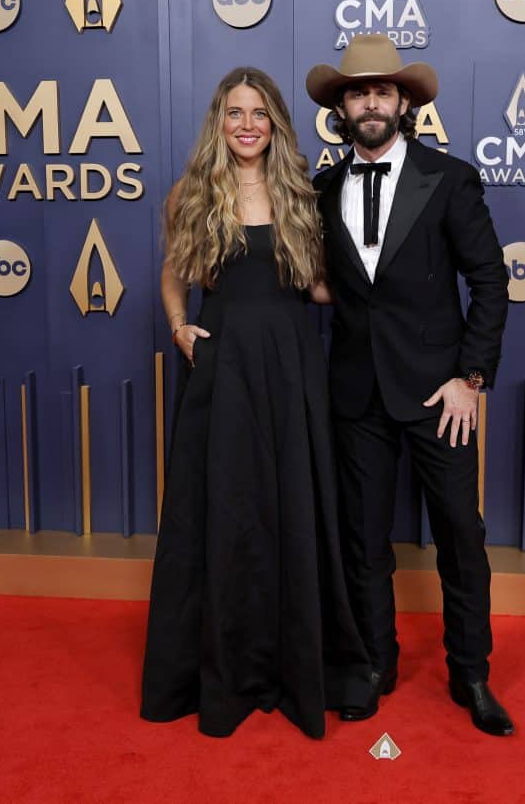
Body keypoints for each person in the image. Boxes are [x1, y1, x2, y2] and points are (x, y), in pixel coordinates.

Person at [140, 67, 371, 739]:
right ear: (220, 120)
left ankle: (294, 666)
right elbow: (173, 270)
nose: (248, 124)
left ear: (275, 125)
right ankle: (226, 667)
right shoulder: (191, 192)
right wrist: (180, 326)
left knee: (291, 508)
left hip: (295, 367)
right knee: (225, 513)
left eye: (260, 113)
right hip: (225, 370)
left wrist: (387, 287)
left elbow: (322, 291)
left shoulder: (300, 191)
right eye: (236, 112)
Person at [305, 35, 514, 736]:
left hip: (438, 397)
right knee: (363, 543)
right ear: (341, 106)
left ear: (403, 103)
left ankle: (472, 673)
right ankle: (371, 665)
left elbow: (489, 280)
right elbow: (318, 282)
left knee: (460, 536)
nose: (370, 102)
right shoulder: (322, 189)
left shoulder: (448, 178)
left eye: (382, 91)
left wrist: (470, 377)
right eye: (358, 92)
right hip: (356, 395)